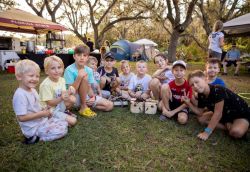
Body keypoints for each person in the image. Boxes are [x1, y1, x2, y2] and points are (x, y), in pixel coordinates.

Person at [183, 70, 249, 141]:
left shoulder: (217, 90)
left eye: (196, 82)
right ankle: (227, 125)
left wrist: (206, 133)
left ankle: (244, 126)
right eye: (192, 85)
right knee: (201, 120)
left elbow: (218, 114)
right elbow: (199, 112)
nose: (195, 86)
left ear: (205, 79)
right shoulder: (201, 94)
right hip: (224, 114)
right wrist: (188, 103)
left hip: (239, 114)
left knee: (236, 132)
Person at [13, 59, 68, 144]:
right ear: (19, 76)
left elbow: (37, 106)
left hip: (41, 121)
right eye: (31, 76)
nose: (34, 79)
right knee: (61, 131)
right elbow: (21, 118)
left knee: (64, 123)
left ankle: (44, 132)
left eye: (37, 76)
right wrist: (41, 114)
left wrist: (44, 108)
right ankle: (36, 138)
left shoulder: (33, 90)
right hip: (33, 128)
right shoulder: (20, 95)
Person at [64, 45, 113, 118]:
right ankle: (83, 107)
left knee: (110, 105)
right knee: (84, 77)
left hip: (85, 96)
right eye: (79, 55)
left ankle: (85, 106)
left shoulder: (89, 70)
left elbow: (89, 87)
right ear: (74, 56)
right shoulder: (69, 70)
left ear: (87, 58)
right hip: (74, 97)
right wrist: (79, 77)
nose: (82, 58)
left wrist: (92, 97)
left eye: (84, 55)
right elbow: (71, 91)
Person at [39, 56, 77, 126]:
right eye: (53, 68)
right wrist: (62, 98)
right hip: (49, 109)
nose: (57, 71)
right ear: (47, 71)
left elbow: (63, 93)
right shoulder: (46, 85)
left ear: (63, 68)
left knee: (73, 99)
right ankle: (51, 120)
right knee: (73, 121)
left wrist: (70, 90)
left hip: (58, 105)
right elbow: (50, 103)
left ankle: (62, 114)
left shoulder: (61, 80)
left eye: (59, 67)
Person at [160, 60, 192, 124]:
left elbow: (186, 103)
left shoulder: (188, 85)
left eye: (181, 70)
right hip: (171, 105)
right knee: (164, 88)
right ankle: (167, 111)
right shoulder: (170, 84)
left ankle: (171, 113)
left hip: (181, 106)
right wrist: (165, 109)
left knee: (182, 120)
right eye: (176, 70)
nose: (178, 72)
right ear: (172, 71)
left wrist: (173, 112)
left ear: (185, 72)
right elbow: (164, 97)